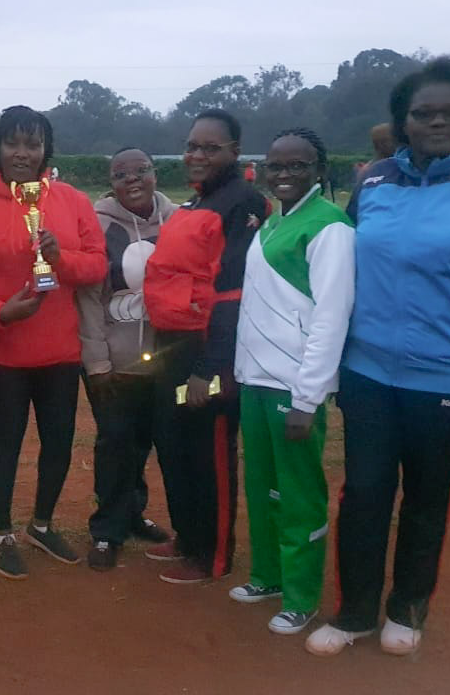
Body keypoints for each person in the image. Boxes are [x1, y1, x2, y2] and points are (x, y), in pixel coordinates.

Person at [306, 58, 450, 656]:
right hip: (367, 375)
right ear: (402, 121)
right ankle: (355, 612)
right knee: (364, 494)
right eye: (423, 113)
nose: (438, 122)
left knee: (426, 501)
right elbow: (340, 272)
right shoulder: (375, 182)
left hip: (447, 381)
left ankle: (406, 608)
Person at [0, 105, 106, 579]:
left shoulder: (72, 200)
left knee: (59, 438)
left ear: (45, 150)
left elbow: (97, 264)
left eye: (32, 144)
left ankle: (42, 524)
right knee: (8, 438)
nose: (22, 153)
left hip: (60, 347)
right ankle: (0, 534)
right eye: (12, 143)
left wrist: (62, 258)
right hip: (3, 349)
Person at [231, 127, 354, 635]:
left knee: (298, 493)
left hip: (293, 387)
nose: (283, 174)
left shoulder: (330, 226)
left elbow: (331, 316)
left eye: (297, 165)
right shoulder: (272, 222)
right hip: (255, 380)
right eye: (275, 165)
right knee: (263, 487)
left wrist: (308, 396)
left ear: (318, 170)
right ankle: (268, 576)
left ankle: (301, 595)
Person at [142, 109, 268, 584]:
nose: (197, 154)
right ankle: (189, 536)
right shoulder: (197, 202)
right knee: (176, 441)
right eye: (192, 146)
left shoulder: (242, 202)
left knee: (208, 449)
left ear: (234, 151)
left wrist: (209, 368)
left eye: (210, 148)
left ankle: (212, 555)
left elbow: (233, 292)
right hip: (173, 346)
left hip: (207, 350)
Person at [76, 146, 177, 571]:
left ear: (156, 174)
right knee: (116, 443)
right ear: (111, 183)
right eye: (121, 174)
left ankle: (133, 514)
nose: (132, 179)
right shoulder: (97, 225)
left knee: (145, 443)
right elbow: (89, 299)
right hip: (114, 363)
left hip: (164, 361)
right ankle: (107, 530)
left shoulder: (177, 221)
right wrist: (97, 363)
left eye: (141, 170)